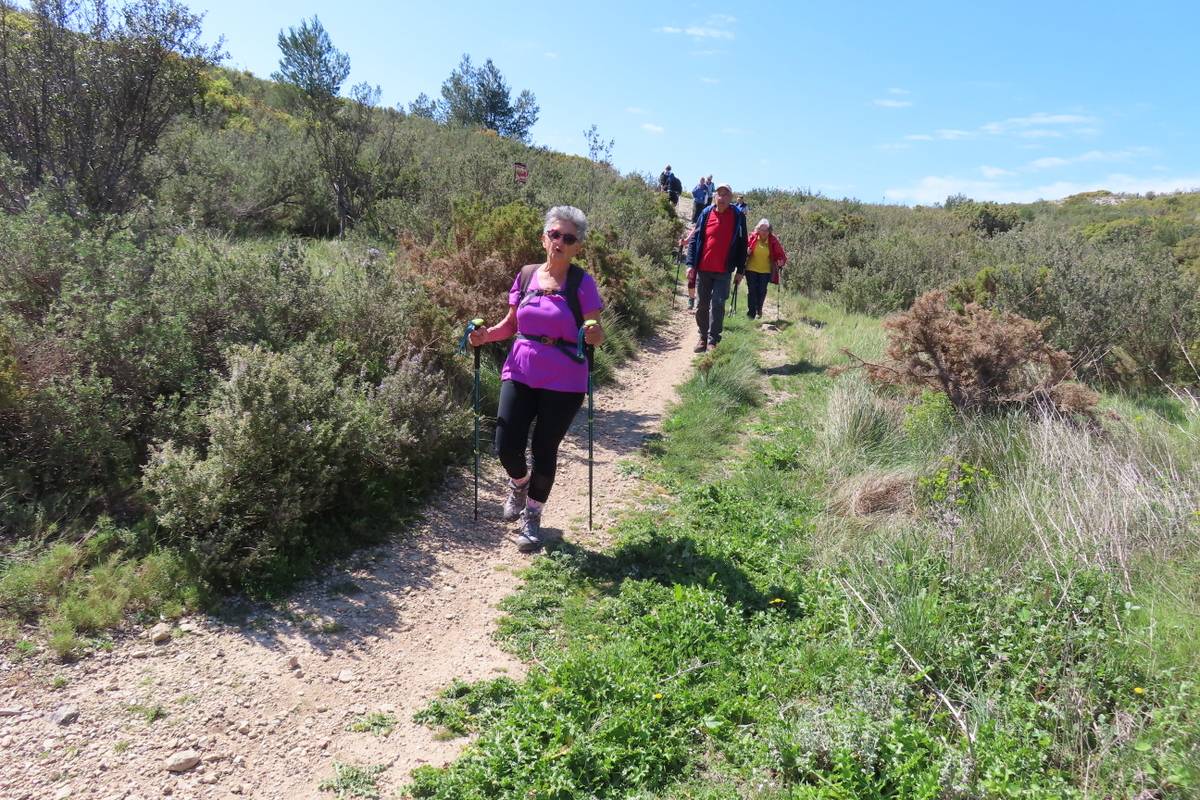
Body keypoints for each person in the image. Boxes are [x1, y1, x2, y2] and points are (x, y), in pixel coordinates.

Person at [468, 206, 606, 552]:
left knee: (544, 449)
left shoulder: (581, 283)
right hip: (520, 369)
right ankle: (519, 483)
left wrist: (593, 335)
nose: (559, 242)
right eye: (554, 234)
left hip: (565, 379)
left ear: (577, 247)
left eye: (568, 238)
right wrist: (485, 336)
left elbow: (595, 330)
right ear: (544, 238)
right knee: (505, 445)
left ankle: (533, 516)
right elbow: (511, 325)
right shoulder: (527, 275)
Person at [687, 182, 747, 351]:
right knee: (701, 305)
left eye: (726, 195)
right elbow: (694, 240)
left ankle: (713, 341)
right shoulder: (706, 213)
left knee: (718, 304)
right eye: (719, 194)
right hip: (703, 268)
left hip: (724, 270)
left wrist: (740, 271)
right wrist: (690, 264)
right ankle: (703, 337)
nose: (722, 198)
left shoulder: (738, 216)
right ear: (714, 196)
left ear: (731, 198)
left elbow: (743, 245)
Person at [743, 218, 788, 320]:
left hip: (765, 270)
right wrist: (747, 252)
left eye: (766, 230)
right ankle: (751, 313)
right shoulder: (753, 237)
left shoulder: (772, 240)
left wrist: (780, 261)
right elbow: (744, 250)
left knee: (762, 291)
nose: (764, 232)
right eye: (762, 230)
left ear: (769, 231)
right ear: (758, 229)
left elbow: (780, 254)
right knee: (752, 290)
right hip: (751, 269)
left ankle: (759, 308)